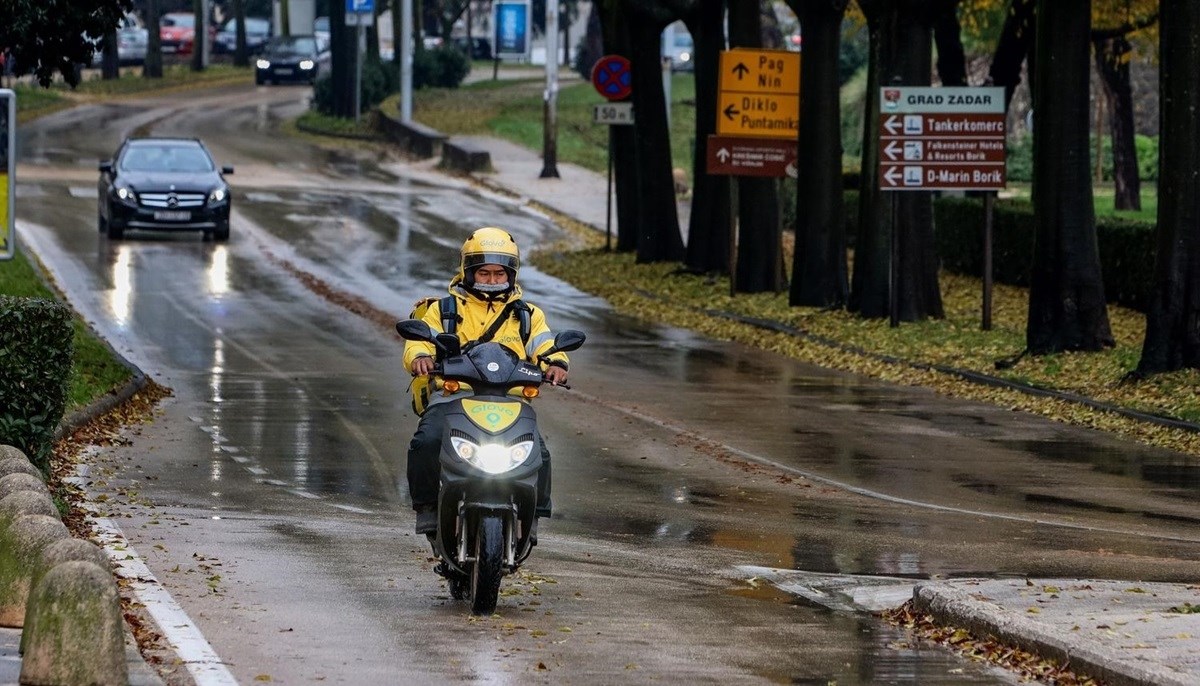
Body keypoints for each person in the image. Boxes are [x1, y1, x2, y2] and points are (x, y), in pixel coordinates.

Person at [403, 227, 570, 537]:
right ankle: (426, 506)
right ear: (468, 271)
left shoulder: (528, 315)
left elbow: (545, 345)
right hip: (454, 397)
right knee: (425, 442)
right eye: (484, 273)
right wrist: (420, 358)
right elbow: (420, 342)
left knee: (541, 454)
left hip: (510, 400)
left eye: (499, 274)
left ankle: (534, 515)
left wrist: (557, 363)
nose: (492, 280)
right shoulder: (445, 309)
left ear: (511, 274)